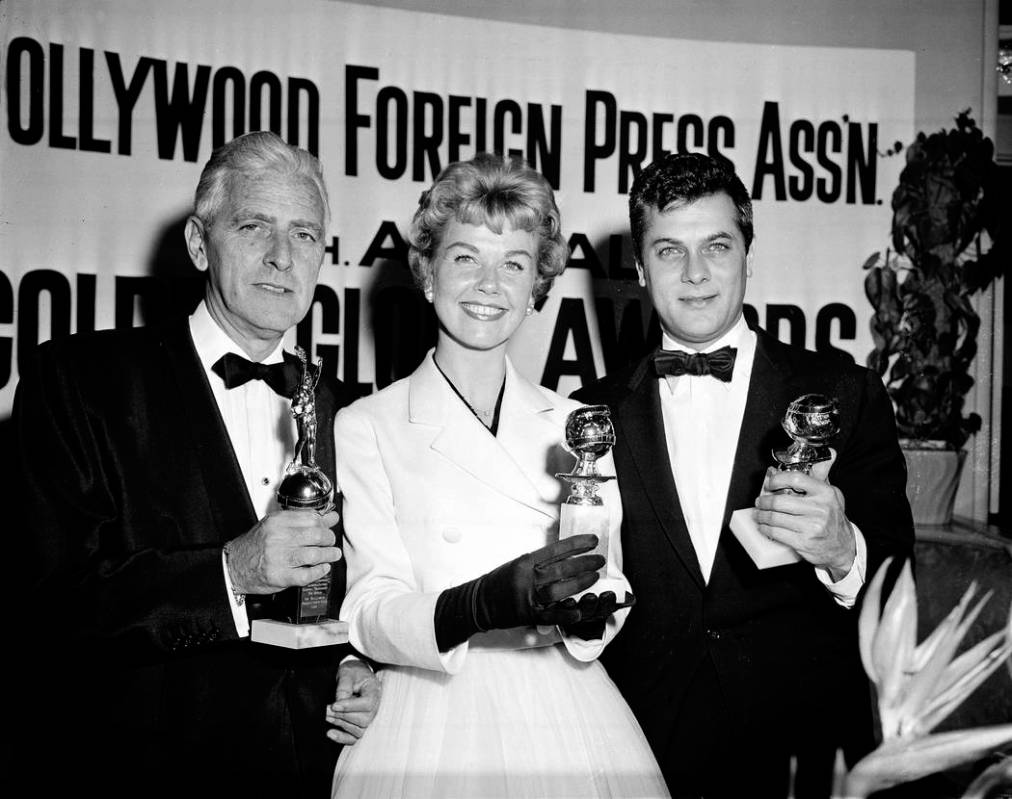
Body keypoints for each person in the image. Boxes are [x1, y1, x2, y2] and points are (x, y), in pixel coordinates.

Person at [11, 131, 380, 798]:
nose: (280, 257)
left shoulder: (350, 410)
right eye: (254, 225)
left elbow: (363, 591)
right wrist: (231, 572)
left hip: (315, 773)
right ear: (196, 242)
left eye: (303, 235)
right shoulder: (83, 380)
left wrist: (358, 663)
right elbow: (47, 606)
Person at [573, 152, 915, 799]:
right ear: (641, 268)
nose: (696, 273)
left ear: (748, 255)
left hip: (798, 753)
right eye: (670, 251)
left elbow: (900, 582)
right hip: (640, 750)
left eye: (718, 246)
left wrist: (845, 552)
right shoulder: (588, 414)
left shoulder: (846, 392)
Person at [329, 153, 669, 798]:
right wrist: (480, 606)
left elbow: (610, 572)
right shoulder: (368, 424)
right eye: (465, 258)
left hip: (564, 713)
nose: (489, 284)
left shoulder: (578, 425)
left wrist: (591, 612)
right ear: (427, 272)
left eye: (513, 263)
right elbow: (368, 610)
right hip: (427, 714)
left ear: (537, 286)